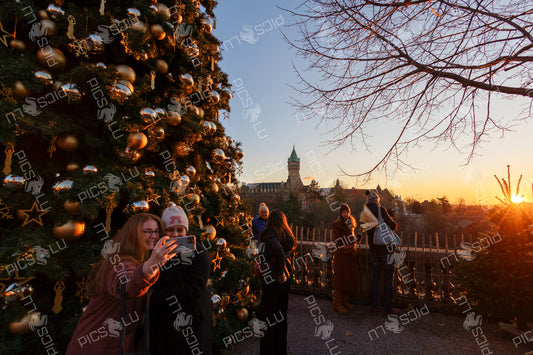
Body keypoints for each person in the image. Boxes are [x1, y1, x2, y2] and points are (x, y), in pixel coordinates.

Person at [66, 213, 177, 354]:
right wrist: (149, 267)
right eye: (147, 232)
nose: (154, 236)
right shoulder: (120, 263)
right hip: (97, 348)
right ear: (133, 234)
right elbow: (127, 286)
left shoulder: (130, 260)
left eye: (156, 231)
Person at [150, 206, 212, 355]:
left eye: (180, 230)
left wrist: (156, 297)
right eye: (170, 230)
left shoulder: (199, 252)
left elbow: (194, 288)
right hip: (164, 325)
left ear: (186, 230)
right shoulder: (157, 252)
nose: (176, 235)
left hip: (193, 321)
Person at [258, 209, 296, 355]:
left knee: (267, 317)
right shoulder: (285, 234)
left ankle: (268, 350)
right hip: (285, 279)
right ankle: (280, 350)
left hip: (273, 279)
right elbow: (283, 251)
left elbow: (278, 252)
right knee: (281, 316)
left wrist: (278, 272)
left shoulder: (269, 234)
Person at [365, 190, 398, 314]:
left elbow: (366, 230)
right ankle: (388, 308)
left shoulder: (365, 213)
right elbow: (393, 226)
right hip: (386, 250)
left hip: (373, 250)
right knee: (388, 278)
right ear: (377, 200)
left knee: (375, 278)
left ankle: (375, 306)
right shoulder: (381, 210)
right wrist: (388, 216)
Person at [331, 203, 359, 314]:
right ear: (340, 213)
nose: (346, 214)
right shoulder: (337, 224)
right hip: (341, 254)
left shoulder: (351, 223)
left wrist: (356, 239)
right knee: (340, 279)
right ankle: (337, 304)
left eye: (347, 212)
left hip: (350, 254)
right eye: (343, 212)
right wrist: (350, 240)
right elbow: (338, 240)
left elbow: (351, 237)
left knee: (348, 279)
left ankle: (344, 301)